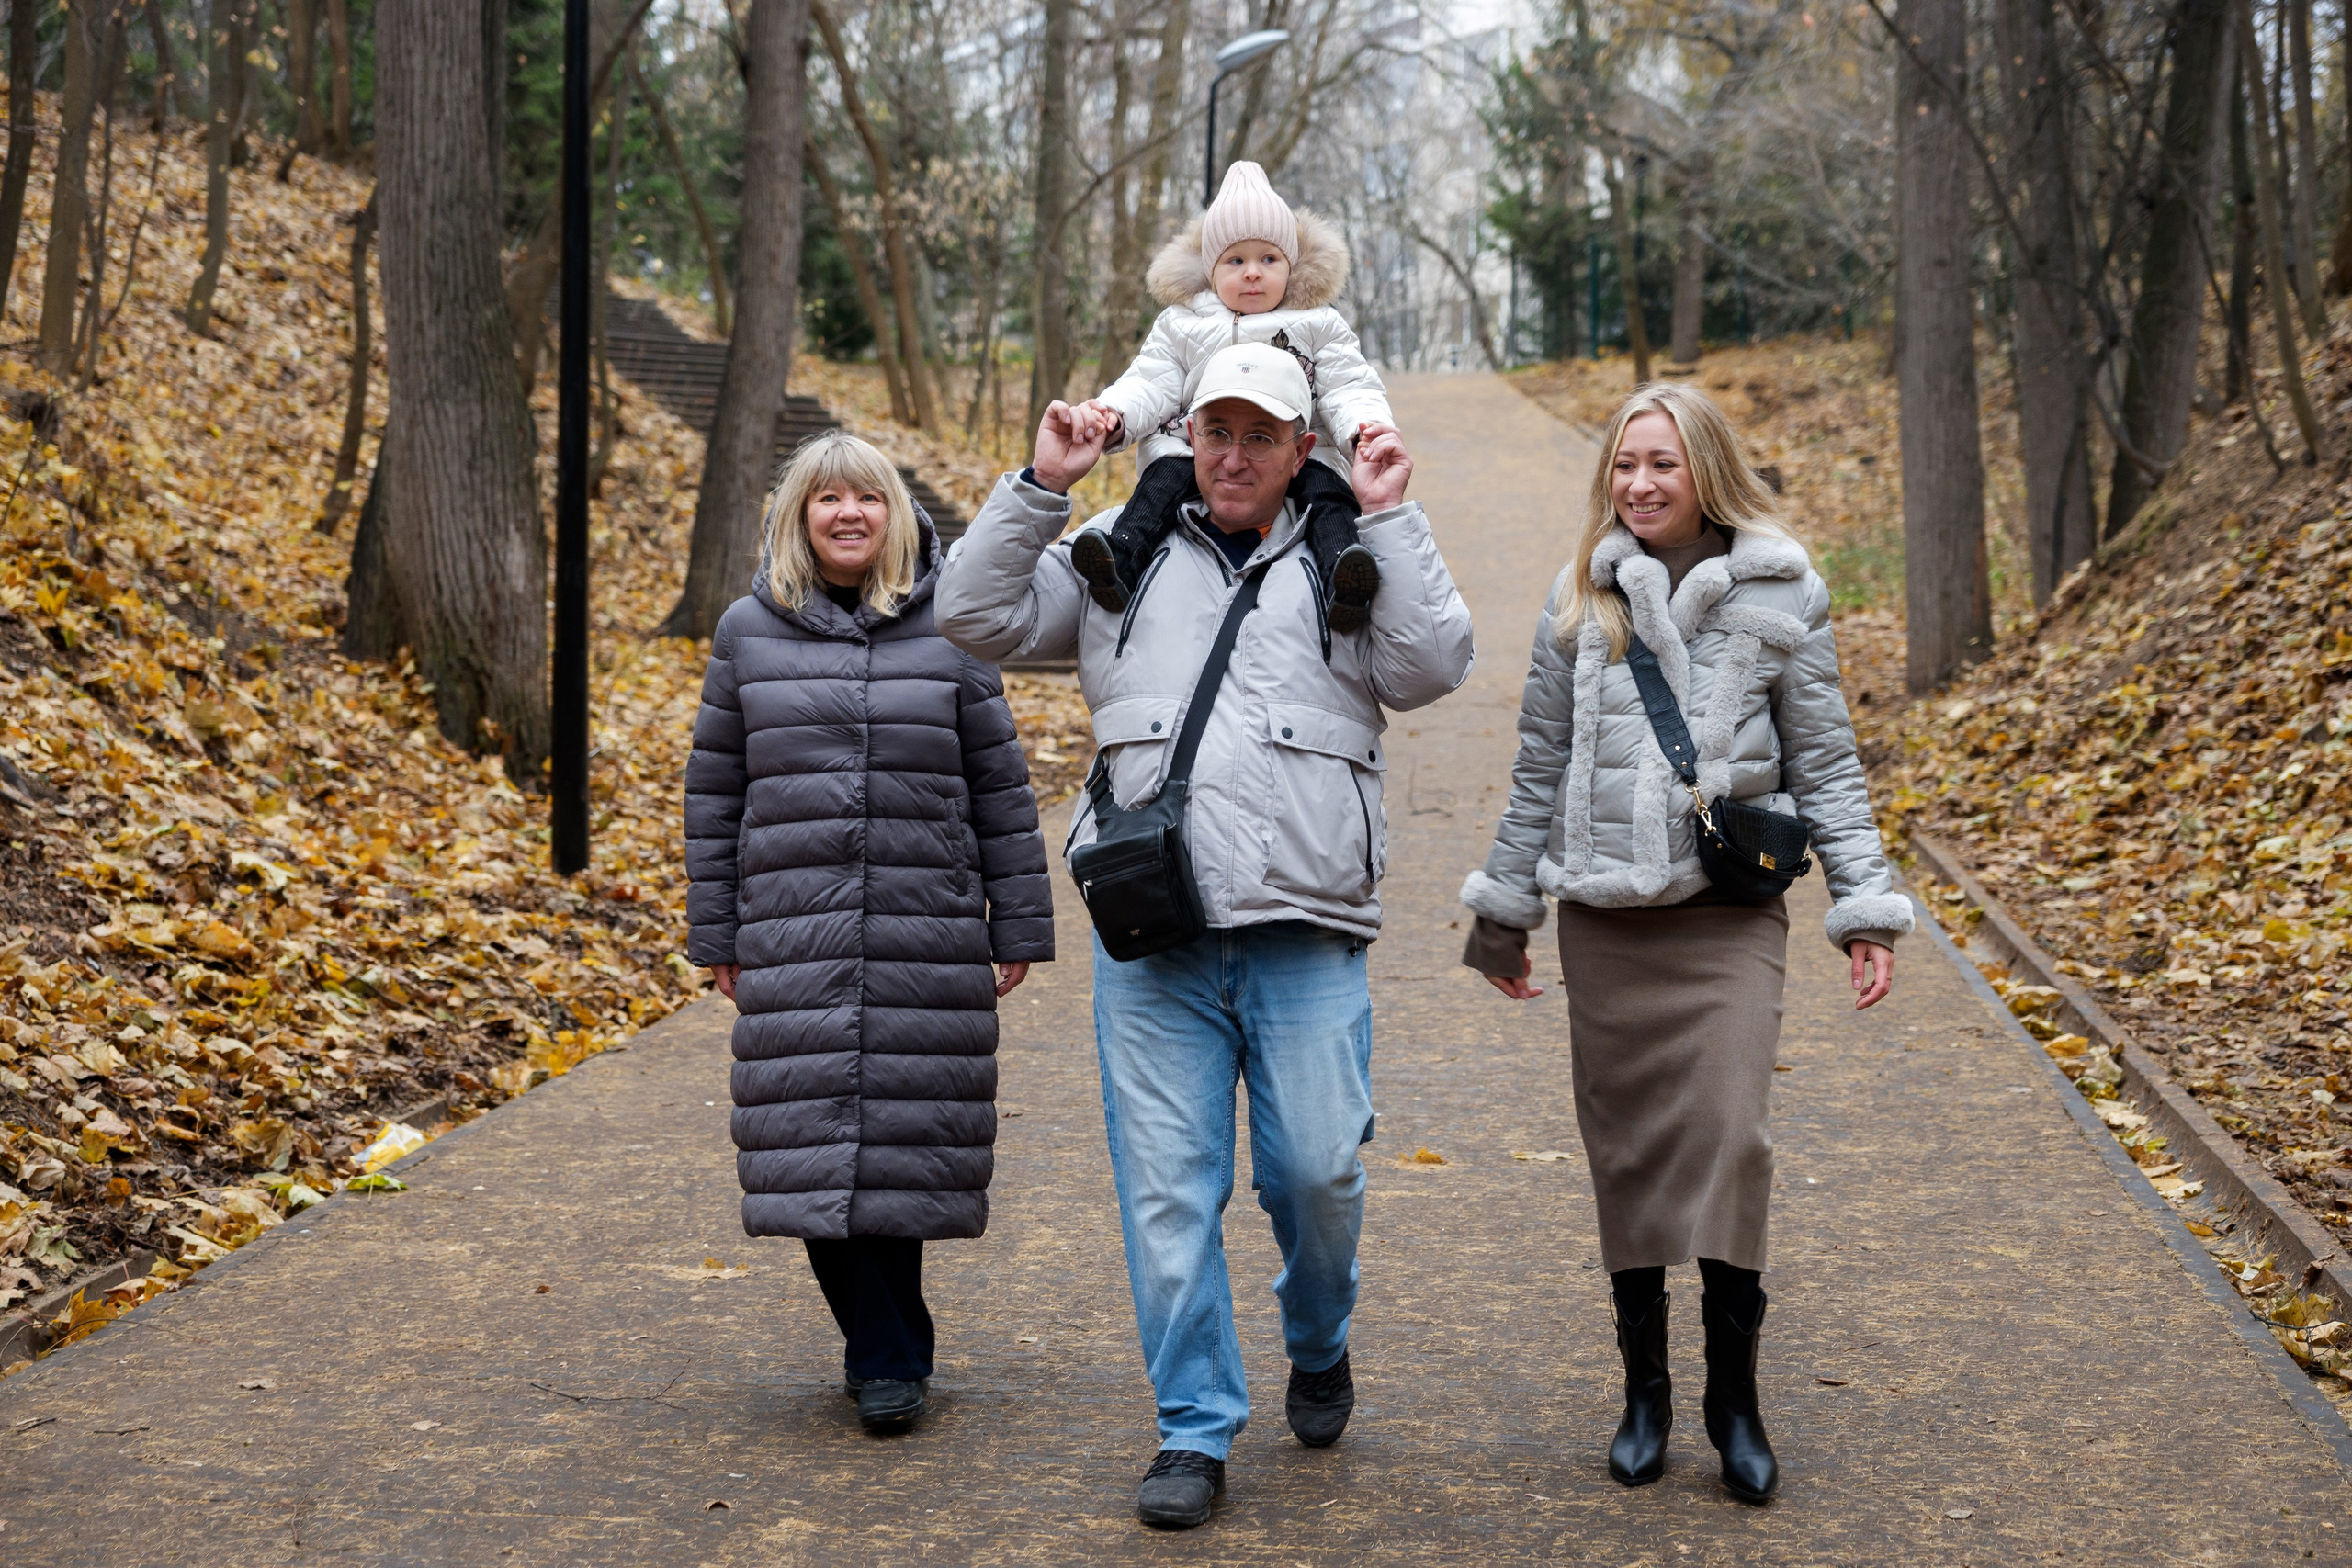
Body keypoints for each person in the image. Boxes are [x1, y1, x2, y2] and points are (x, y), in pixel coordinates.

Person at [937, 343, 1473, 1529]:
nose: (1233, 454)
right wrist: (1040, 483)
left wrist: (1391, 515)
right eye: (1214, 431)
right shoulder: (1112, 559)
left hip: (1306, 928)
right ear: (1183, 436)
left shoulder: (1345, 563)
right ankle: (1192, 1423)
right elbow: (969, 613)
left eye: (1260, 435)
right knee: (1169, 1197)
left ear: (1300, 449)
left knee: (1317, 1172)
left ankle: (1317, 1335)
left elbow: (1437, 661)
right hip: (1155, 939)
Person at [1458, 382, 1910, 1505]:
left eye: (1661, 463)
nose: (1640, 484)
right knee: (1627, 1157)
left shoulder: (1782, 592)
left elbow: (1828, 764)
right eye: (1623, 465)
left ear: (1705, 469)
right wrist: (1502, 916)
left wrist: (1862, 905)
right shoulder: (1579, 601)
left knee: (1734, 1140)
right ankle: (1645, 1392)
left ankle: (1734, 1401)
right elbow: (1535, 775)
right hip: (1605, 921)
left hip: (1726, 916)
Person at [683, 432, 1054, 1436]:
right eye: (827, 500)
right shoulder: (745, 634)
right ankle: (883, 1348)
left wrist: (1016, 919)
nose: (849, 515)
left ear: (896, 517)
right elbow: (714, 794)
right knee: (803, 1144)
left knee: (903, 1143)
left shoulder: (954, 630)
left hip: (924, 925)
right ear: (798, 519)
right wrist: (715, 927)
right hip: (791, 930)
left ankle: (893, 1347)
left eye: (868, 500)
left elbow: (1001, 790)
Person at [1064, 160, 1397, 642]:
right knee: (1161, 483)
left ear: (1292, 266)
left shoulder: (1317, 322)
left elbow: (1350, 385)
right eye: (1235, 262)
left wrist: (1364, 429)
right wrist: (1113, 414)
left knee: (1329, 498)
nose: (1253, 274)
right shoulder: (1184, 324)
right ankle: (1120, 559)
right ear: (1211, 269)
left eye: (1269, 259)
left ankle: (1343, 581)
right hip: (1195, 444)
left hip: (1302, 449)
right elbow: (1150, 382)